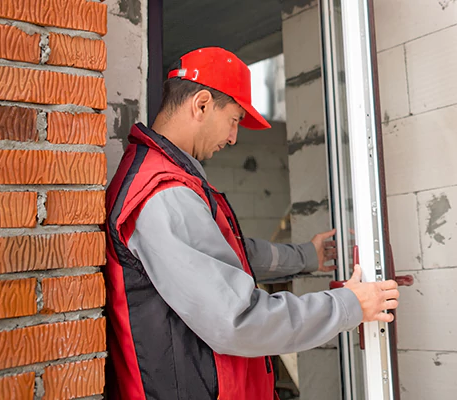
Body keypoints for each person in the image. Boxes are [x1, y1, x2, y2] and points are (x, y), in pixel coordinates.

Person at [104, 47, 399, 399]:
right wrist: (349, 306)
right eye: (234, 119)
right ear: (200, 104)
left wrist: (307, 256)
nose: (233, 138)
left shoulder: (168, 178)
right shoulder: (164, 195)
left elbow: (226, 253)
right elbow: (238, 320)